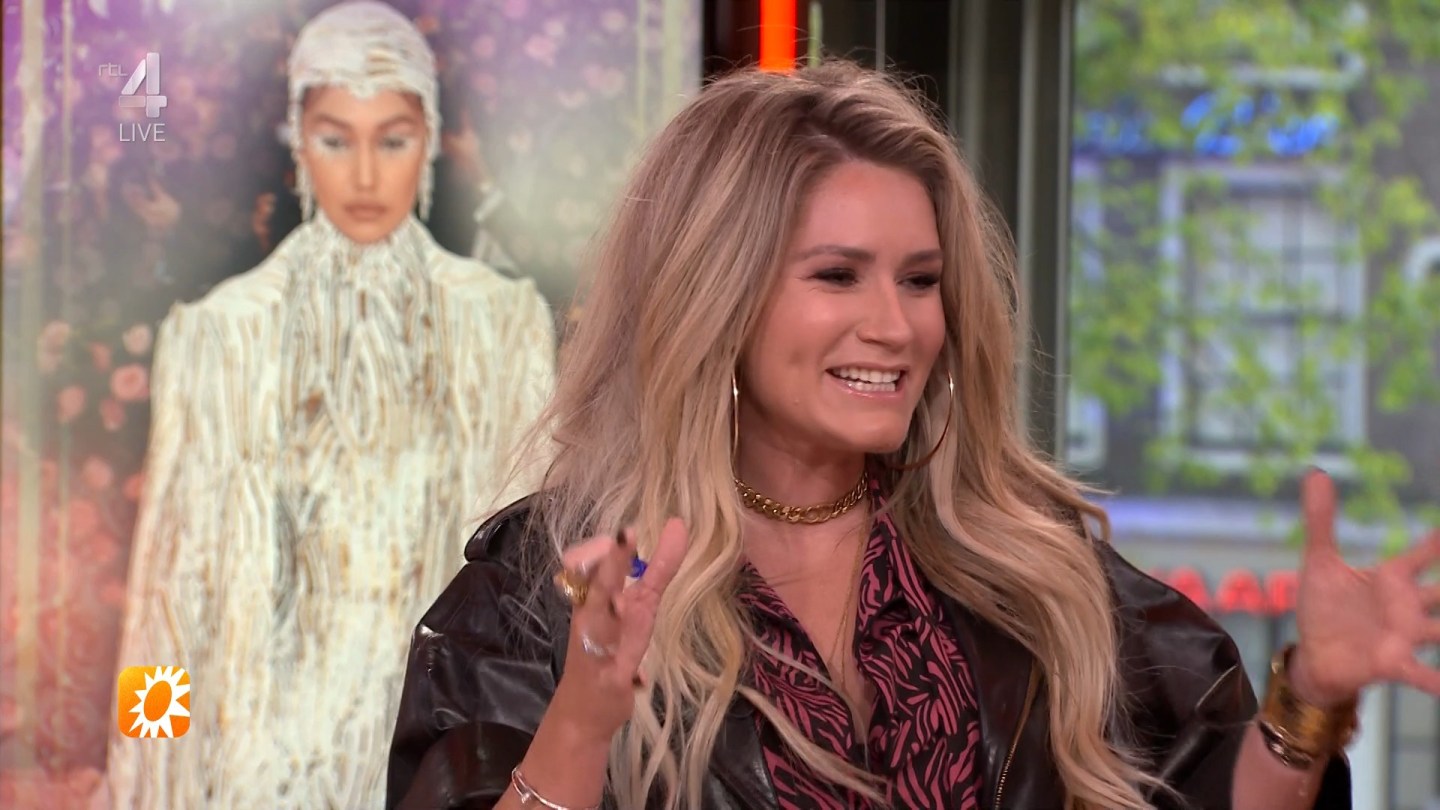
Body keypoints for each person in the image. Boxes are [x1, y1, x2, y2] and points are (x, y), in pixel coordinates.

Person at [386, 61, 1440, 810]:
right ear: (718, 297)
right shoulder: (542, 588)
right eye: (838, 275)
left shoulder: (1026, 573)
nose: (896, 326)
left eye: (921, 281)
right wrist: (581, 723)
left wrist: (1307, 705)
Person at [107, 2, 555, 807]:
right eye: (335, 139)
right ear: (298, 142)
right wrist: (146, 781)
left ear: (429, 141)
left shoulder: (501, 323)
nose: (364, 175)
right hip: (255, 766)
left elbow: (528, 590)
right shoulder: (220, 331)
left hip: (438, 756)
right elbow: (168, 602)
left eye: (392, 139)